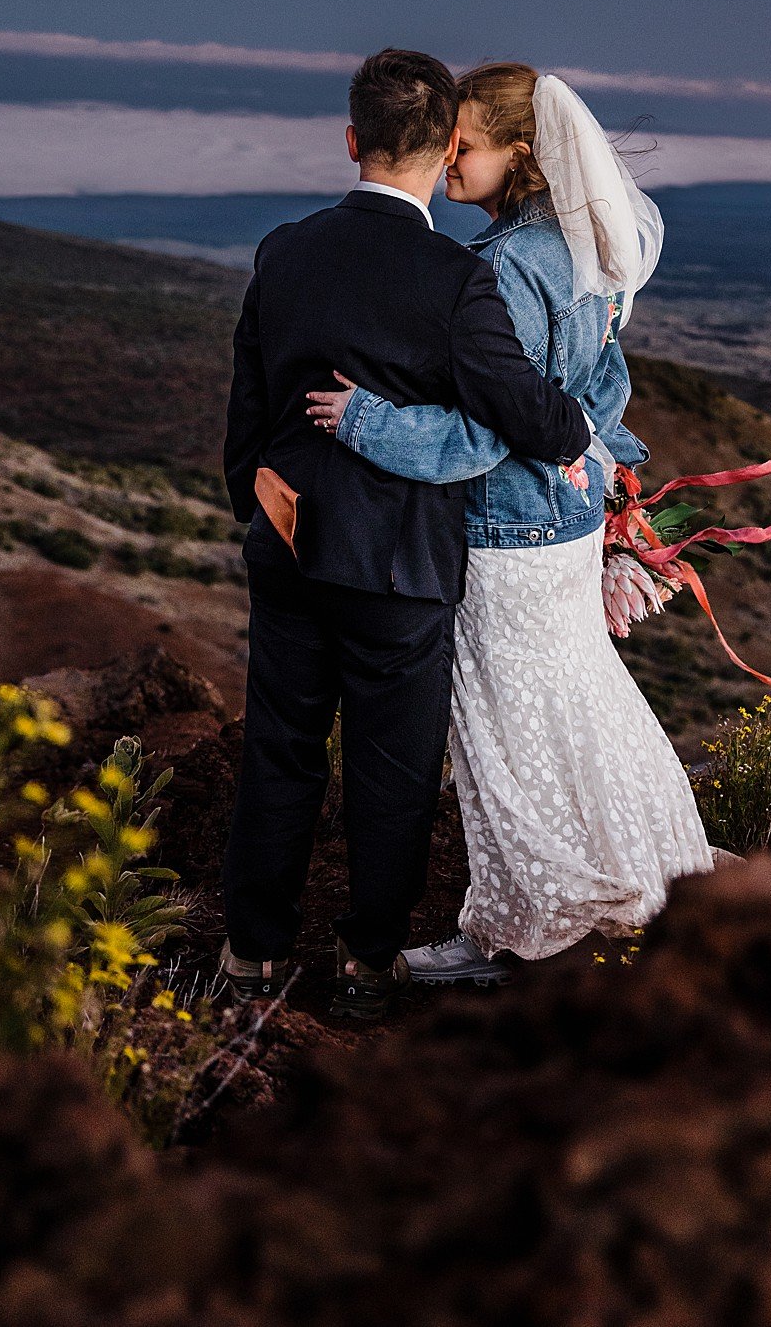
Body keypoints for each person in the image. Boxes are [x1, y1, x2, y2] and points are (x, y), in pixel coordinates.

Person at [305, 62, 713, 984]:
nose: (449, 158)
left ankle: (520, 931)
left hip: (505, 535)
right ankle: (647, 874)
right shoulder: (583, 248)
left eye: (467, 146)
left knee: (504, 732)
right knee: (580, 699)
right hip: (562, 528)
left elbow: (489, 434)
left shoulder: (497, 270)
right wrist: (598, 466)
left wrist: (368, 421)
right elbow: (605, 392)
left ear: (519, 155)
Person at [220, 49, 593, 1019]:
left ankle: (250, 954)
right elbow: (521, 408)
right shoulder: (453, 276)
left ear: (352, 141)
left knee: (280, 750)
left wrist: (254, 511)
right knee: (391, 772)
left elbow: (248, 410)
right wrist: (581, 427)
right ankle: (366, 963)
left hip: (289, 546)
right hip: (403, 568)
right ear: (449, 146)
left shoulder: (285, 249)